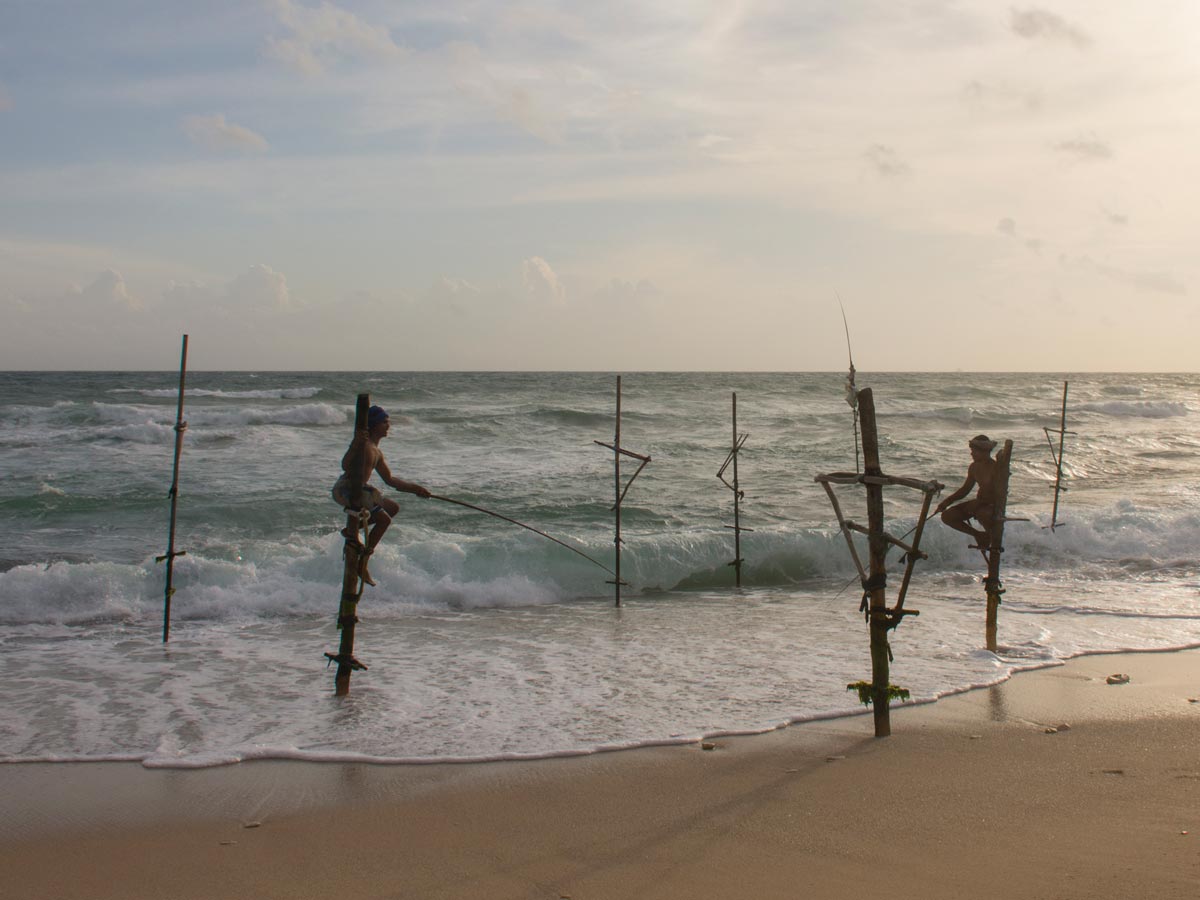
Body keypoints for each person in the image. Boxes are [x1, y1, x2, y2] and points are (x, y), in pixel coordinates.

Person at [332, 405, 431, 585]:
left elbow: (390, 480)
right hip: (347, 489)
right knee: (384, 520)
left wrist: (416, 489)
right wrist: (354, 445)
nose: (388, 425)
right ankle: (363, 561)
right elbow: (346, 465)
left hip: (362, 489)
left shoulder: (376, 450)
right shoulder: (363, 446)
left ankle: (351, 530)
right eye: (384, 422)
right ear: (374, 425)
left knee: (392, 508)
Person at [934, 434, 998, 547]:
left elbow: (1001, 492)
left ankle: (992, 539)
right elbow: (965, 489)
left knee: (982, 513)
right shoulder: (973, 467)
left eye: (974, 451)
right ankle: (979, 535)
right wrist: (947, 502)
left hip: (993, 505)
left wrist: (984, 504)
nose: (971, 453)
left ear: (984, 451)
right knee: (947, 516)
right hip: (979, 502)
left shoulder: (995, 468)